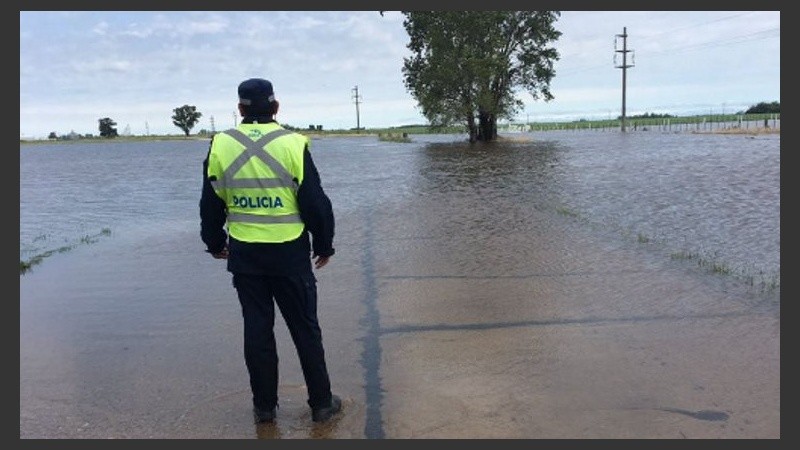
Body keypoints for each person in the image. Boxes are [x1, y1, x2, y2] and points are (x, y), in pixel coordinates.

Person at [200, 77, 342, 424]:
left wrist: (215, 243)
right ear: (276, 107)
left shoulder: (220, 144)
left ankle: (264, 408)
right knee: (305, 328)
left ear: (240, 109)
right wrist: (324, 244)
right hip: (290, 254)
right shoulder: (293, 143)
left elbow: (210, 203)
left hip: (246, 255)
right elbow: (315, 203)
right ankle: (322, 405)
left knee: (257, 330)